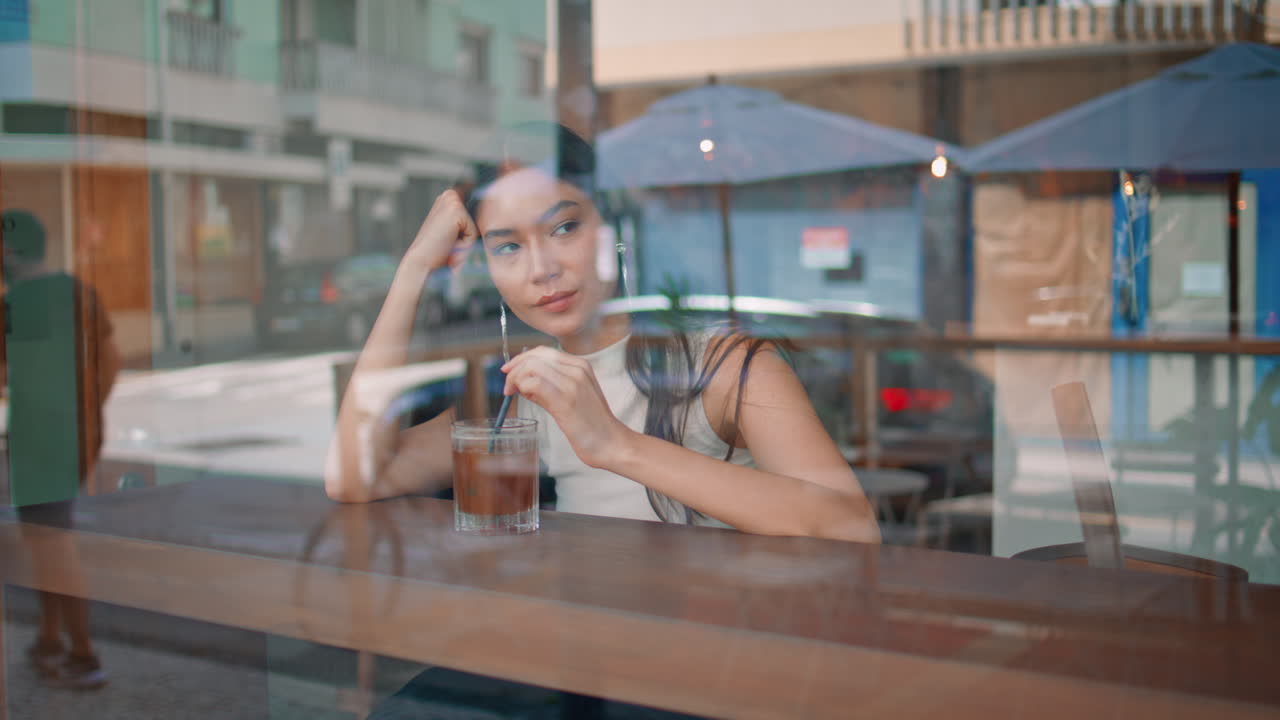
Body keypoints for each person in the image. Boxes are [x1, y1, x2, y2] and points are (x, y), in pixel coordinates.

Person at [325, 124, 877, 541]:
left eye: (564, 227)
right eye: (508, 246)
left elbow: (852, 528)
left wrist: (614, 444)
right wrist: (415, 269)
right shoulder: (522, 397)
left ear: (611, 233)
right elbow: (354, 480)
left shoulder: (726, 364)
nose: (541, 268)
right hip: (589, 661)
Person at [2, 209, 118, 690]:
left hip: (40, 440)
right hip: (71, 435)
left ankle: (83, 652)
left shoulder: (19, 303)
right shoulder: (76, 290)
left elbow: (14, 374)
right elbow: (110, 360)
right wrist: (88, 418)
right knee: (46, 543)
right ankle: (51, 639)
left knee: (54, 546)